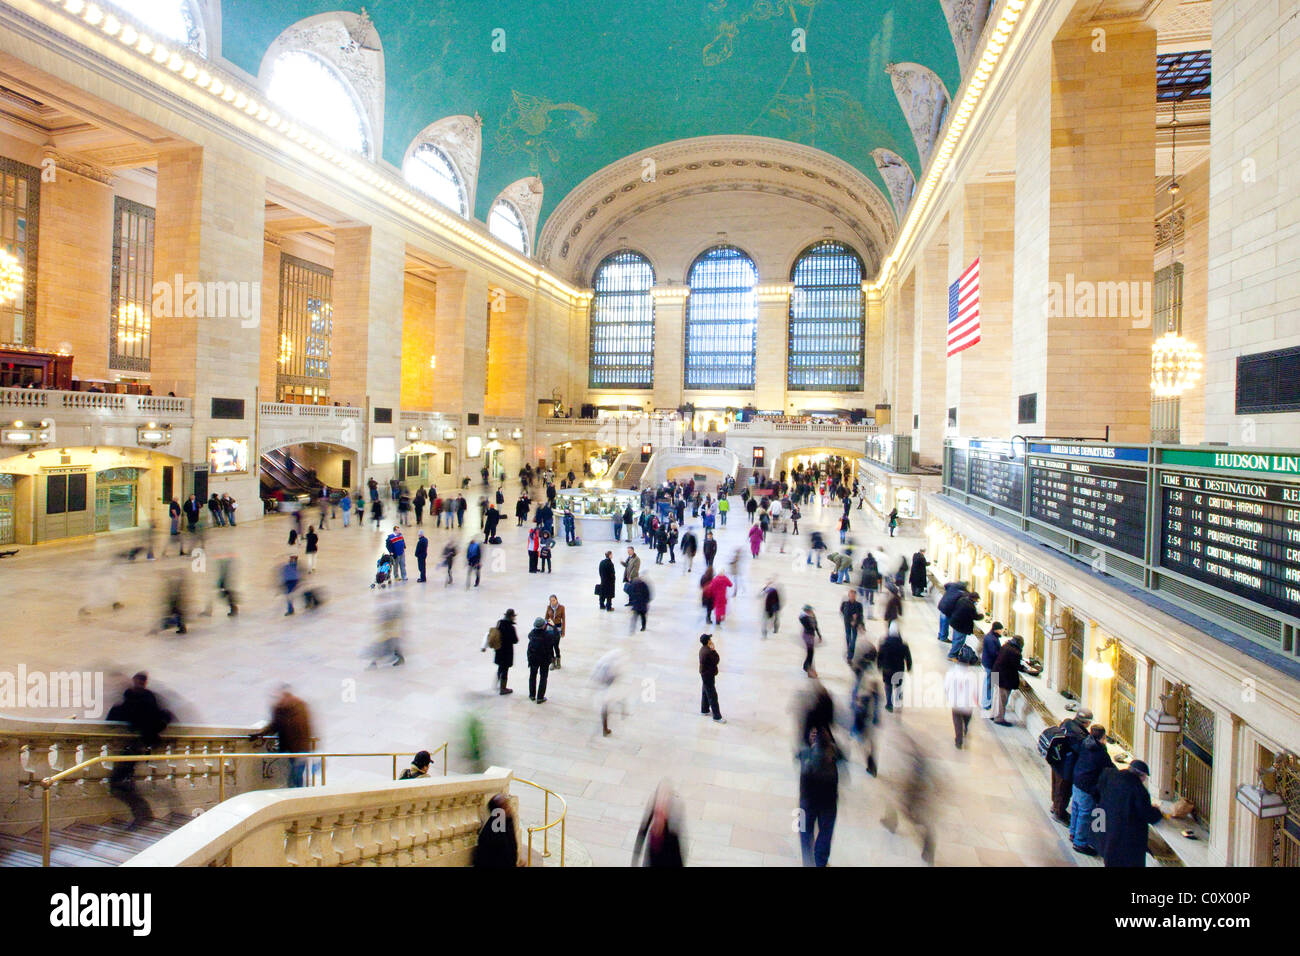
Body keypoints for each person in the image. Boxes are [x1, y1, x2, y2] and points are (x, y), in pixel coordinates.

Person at [106, 672, 174, 825]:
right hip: (132, 745)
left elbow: (157, 719)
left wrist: (146, 735)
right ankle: (142, 815)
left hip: (135, 746)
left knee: (119, 782)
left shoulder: (145, 700)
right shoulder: (134, 697)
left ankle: (143, 815)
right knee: (121, 782)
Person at [1095, 760, 1162, 867]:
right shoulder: (1139, 789)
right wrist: (1158, 812)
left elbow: (1098, 791)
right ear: (1142, 776)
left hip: (1106, 829)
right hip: (1125, 840)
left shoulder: (1110, 774)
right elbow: (1148, 815)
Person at [796, 726, 845, 867]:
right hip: (828, 804)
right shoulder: (833, 754)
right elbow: (842, 755)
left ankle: (808, 862)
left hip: (808, 803)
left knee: (805, 832)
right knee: (825, 834)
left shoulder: (805, 755)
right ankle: (820, 862)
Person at [1070, 723, 1116, 855]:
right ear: (1103, 737)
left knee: (1076, 809)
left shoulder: (1085, 743)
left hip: (1077, 780)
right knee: (1085, 814)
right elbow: (1109, 768)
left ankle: (1073, 834)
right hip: (1087, 787)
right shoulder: (1100, 753)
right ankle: (1080, 843)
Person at [258, 685, 313, 787]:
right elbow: (274, 725)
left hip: (301, 748)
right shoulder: (279, 709)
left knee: (296, 774)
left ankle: (296, 794)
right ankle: (296, 794)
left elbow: (306, 727)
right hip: (290, 748)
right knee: (295, 773)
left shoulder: (300, 706)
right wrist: (261, 734)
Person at [1046, 709, 1094, 824]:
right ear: (1086, 722)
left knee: (1056, 786)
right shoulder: (1079, 736)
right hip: (1066, 768)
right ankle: (1059, 813)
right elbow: (1082, 751)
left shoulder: (1067, 723)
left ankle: (1055, 806)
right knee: (1064, 791)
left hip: (1057, 761)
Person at [632, 783, 686, 866]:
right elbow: (641, 834)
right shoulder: (651, 821)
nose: (659, 814)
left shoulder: (672, 836)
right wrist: (635, 860)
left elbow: (678, 859)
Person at [944, 654, 981, 749]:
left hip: (956, 701)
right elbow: (976, 689)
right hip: (968, 702)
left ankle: (959, 739)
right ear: (968, 664)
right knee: (967, 717)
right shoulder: (972, 675)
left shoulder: (952, 672)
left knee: (957, 721)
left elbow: (946, 686)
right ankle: (965, 728)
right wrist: (976, 700)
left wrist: (947, 695)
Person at [472, 793, 519, 867]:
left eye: (507, 804)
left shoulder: (507, 821)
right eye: (505, 806)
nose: (509, 808)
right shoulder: (491, 834)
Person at [877, 623, 912, 711]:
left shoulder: (884, 644)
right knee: (898, 685)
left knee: (888, 686)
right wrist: (909, 667)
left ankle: (889, 703)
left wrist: (879, 666)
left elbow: (879, 657)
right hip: (899, 669)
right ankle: (897, 699)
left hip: (887, 669)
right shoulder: (903, 645)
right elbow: (908, 657)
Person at [991, 635, 1025, 725]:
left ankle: (993, 714)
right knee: (1002, 698)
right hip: (1003, 678)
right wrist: (1025, 668)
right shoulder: (1015, 652)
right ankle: (999, 718)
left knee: (995, 696)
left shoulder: (1005, 645)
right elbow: (1016, 666)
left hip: (995, 673)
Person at [947, 590, 984, 661]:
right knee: (959, 641)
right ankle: (952, 655)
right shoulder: (970, 606)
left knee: (955, 639)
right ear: (974, 598)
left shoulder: (962, 600)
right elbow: (975, 617)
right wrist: (982, 615)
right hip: (961, 626)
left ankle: (953, 653)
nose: (977, 601)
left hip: (955, 622)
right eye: (977, 600)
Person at [487, 609, 518, 695]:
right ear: (511, 617)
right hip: (506, 652)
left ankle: (497, 684)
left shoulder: (499, 623)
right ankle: (503, 688)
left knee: (500, 667)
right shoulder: (511, 628)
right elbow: (515, 640)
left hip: (499, 650)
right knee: (505, 669)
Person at [526, 616, 555, 703]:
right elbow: (554, 640)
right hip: (544, 660)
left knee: (532, 676)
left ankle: (532, 695)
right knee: (543, 677)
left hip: (533, 658)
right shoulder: (548, 635)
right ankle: (540, 697)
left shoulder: (531, 634)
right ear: (543, 626)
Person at [698, 634, 725, 723]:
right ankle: (717, 716)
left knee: (705, 691)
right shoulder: (709, 651)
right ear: (708, 641)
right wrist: (713, 649)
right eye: (710, 639)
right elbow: (716, 660)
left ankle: (704, 709)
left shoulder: (702, 649)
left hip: (705, 674)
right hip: (708, 675)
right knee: (712, 695)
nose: (711, 640)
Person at [936, 580, 969, 645]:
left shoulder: (952, 585)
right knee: (945, 622)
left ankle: (940, 635)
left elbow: (945, 585)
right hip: (948, 608)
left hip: (942, 604)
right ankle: (943, 637)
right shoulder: (962, 593)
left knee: (942, 621)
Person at [839, 588, 864, 661]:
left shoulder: (859, 605)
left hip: (855, 624)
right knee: (848, 637)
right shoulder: (845, 604)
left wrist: (860, 623)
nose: (853, 597)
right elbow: (844, 612)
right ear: (849, 596)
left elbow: (861, 615)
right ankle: (849, 650)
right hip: (847, 623)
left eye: (854, 595)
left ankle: (850, 654)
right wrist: (851, 619)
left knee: (853, 639)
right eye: (851, 595)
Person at [799, 605, 823, 678]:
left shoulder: (812, 616)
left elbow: (816, 626)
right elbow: (807, 625)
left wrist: (819, 635)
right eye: (810, 610)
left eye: (811, 610)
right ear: (807, 611)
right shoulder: (804, 618)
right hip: (807, 636)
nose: (811, 612)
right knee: (810, 652)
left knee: (810, 652)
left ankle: (806, 666)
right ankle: (808, 668)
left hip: (811, 636)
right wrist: (809, 617)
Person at [544, 595, 566, 670]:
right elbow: (546, 618)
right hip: (550, 629)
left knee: (556, 645)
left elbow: (563, 620)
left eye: (554, 600)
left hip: (558, 628)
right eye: (551, 601)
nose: (552, 602)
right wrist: (544, 628)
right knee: (550, 646)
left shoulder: (561, 607)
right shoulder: (548, 607)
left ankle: (558, 659)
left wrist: (563, 631)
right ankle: (552, 661)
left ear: (556, 600)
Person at [859, 552, 881, 616]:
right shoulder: (875, 561)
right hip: (873, 576)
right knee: (872, 589)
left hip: (865, 575)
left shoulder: (865, 560)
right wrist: (878, 577)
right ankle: (871, 601)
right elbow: (876, 570)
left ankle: (866, 599)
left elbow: (862, 567)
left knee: (866, 588)